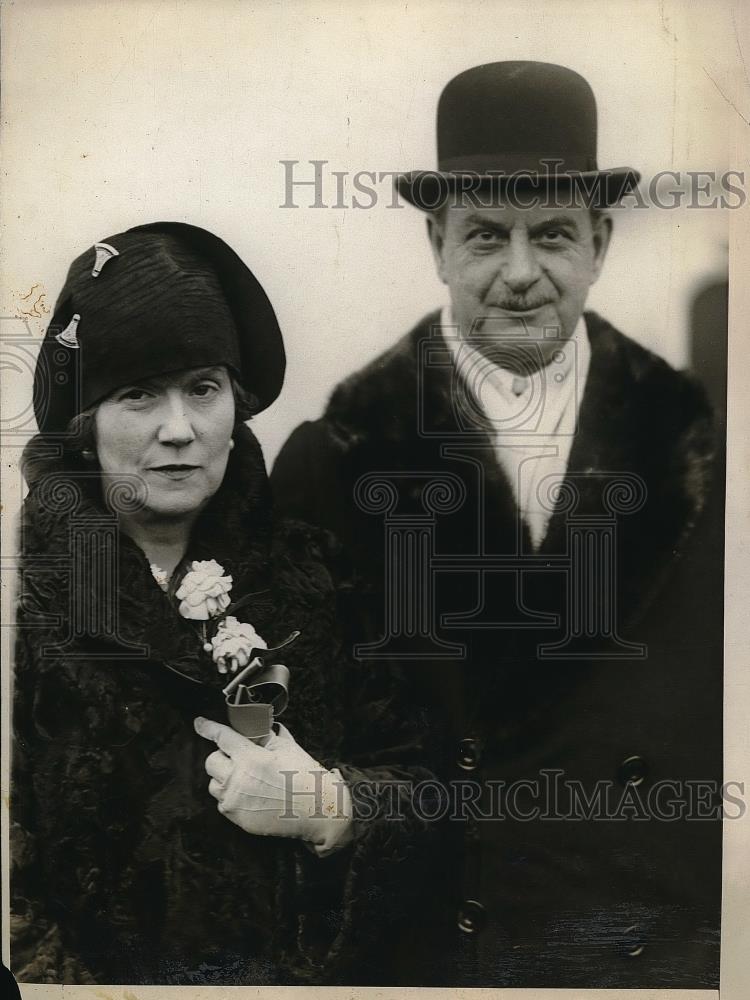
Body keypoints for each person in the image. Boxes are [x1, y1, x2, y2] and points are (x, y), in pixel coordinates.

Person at [269, 63, 725, 987]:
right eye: (485, 235)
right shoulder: (337, 461)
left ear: (599, 242)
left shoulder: (703, 456)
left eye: (551, 233)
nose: (520, 275)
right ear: (437, 242)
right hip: (430, 962)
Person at [10, 223, 359, 984]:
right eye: (137, 393)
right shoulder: (24, 601)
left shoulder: (317, 578)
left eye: (203, 388)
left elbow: (425, 786)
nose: (179, 430)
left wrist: (330, 809)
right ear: (85, 423)